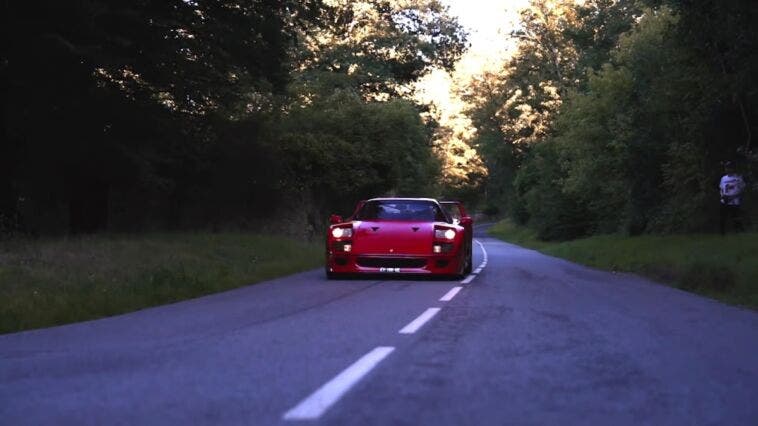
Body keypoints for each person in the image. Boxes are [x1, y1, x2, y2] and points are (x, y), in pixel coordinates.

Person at [719, 161, 746, 234]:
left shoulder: (738, 177)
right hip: (724, 200)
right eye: (726, 168)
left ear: (733, 169)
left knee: (735, 217)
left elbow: (742, 189)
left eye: (729, 168)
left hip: (734, 201)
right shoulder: (723, 178)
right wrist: (722, 196)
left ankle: (738, 232)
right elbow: (721, 189)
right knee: (722, 217)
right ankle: (722, 233)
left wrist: (733, 196)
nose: (727, 169)